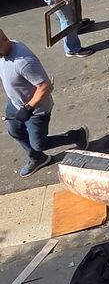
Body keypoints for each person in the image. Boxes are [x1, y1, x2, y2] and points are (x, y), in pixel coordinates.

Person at [0, 28, 88, 178]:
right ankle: (37, 158)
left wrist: (28, 108)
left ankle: (77, 135)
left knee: (39, 144)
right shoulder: (4, 52)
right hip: (15, 103)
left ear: (3, 40)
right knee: (15, 132)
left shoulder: (23, 62)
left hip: (36, 110)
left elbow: (45, 86)